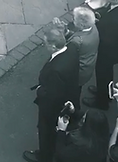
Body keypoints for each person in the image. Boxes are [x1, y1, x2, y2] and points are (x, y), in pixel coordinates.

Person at [21, 27, 81, 162]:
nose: (44, 46)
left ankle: (44, 155)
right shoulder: (71, 50)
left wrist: (40, 90)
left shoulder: (56, 70)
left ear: (53, 46)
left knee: (45, 129)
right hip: (70, 96)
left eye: (45, 43)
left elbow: (52, 95)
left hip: (52, 106)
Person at [57, 7, 99, 89]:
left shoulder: (76, 41)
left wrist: (61, 33)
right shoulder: (93, 27)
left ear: (82, 25)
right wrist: (66, 32)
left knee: (70, 90)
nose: (72, 20)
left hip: (77, 72)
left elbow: (65, 54)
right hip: (88, 66)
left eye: (74, 19)